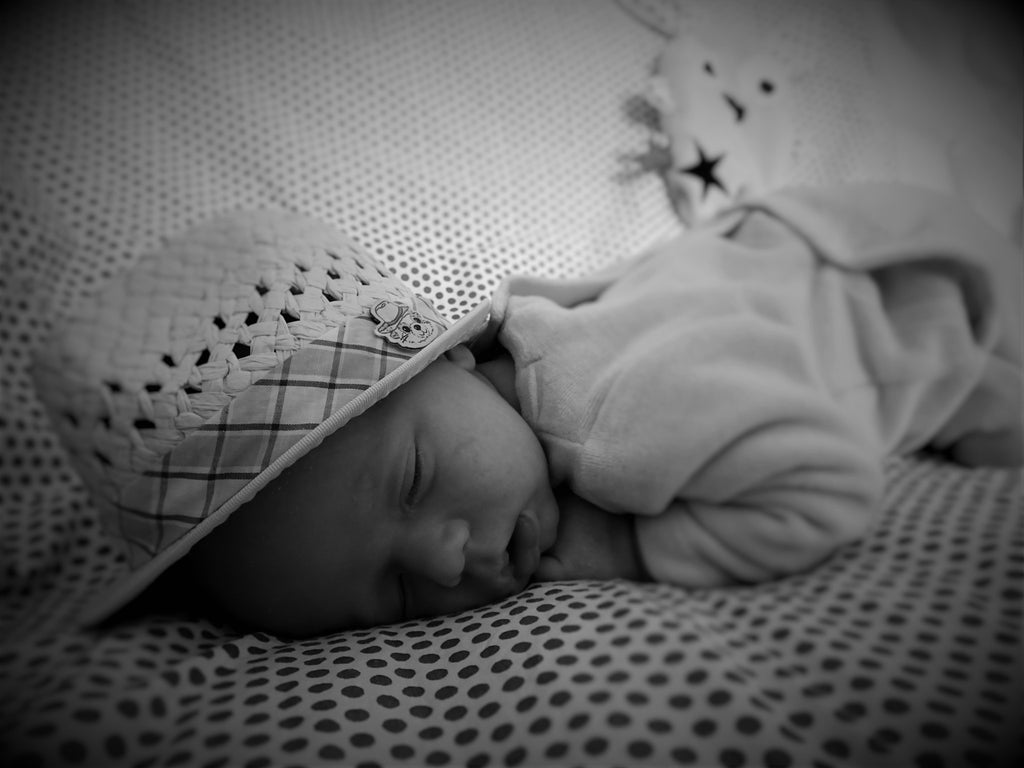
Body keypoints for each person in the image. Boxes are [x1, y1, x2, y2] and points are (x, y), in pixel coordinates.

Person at [34, 183, 1021, 638]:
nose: (442, 561)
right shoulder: (540, 364)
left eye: (414, 478)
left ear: (461, 361)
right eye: (397, 595)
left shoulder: (612, 417)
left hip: (932, 299)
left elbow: (832, 487)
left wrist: (627, 549)